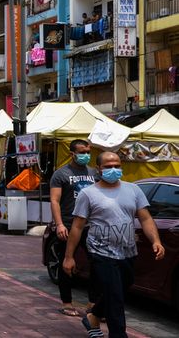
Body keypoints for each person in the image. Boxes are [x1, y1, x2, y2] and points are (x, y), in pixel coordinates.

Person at [63, 152, 165, 338]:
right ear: (99, 169)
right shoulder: (88, 193)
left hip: (127, 251)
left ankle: (93, 317)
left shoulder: (133, 190)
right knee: (115, 298)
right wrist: (69, 257)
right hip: (101, 252)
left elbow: (145, 218)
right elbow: (77, 226)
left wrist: (156, 241)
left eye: (117, 166)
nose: (113, 169)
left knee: (120, 288)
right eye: (108, 166)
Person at [49, 139, 97, 317]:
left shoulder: (94, 173)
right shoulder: (61, 174)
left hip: (91, 226)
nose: (86, 155)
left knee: (97, 264)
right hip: (69, 225)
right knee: (66, 264)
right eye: (82, 152)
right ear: (72, 154)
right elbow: (55, 200)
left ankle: (93, 303)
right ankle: (67, 303)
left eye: (88, 152)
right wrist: (59, 224)